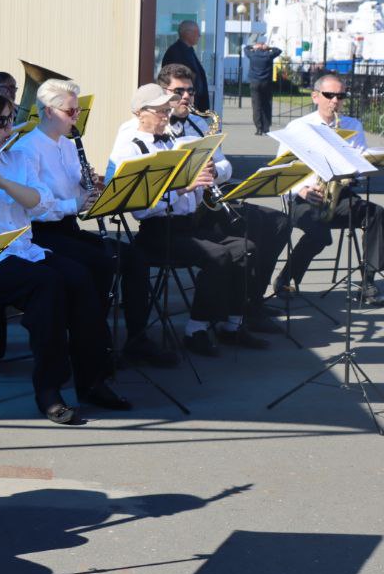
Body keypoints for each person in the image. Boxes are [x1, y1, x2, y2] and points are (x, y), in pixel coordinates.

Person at [0, 90, 127, 424]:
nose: (9, 126)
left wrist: (0, 181)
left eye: (11, 118)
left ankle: (93, 380)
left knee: (81, 276)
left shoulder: (17, 160)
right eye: (1, 120)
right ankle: (48, 390)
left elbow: (40, 203)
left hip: (22, 250)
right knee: (48, 285)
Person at [14, 78, 172, 367]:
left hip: (68, 228)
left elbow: (78, 192)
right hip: (41, 234)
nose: (76, 117)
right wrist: (73, 203)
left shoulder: (68, 144)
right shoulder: (28, 149)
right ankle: (91, 344)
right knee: (100, 264)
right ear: (49, 111)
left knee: (134, 257)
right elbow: (35, 206)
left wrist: (93, 189)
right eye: (70, 111)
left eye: (77, 111)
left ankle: (136, 339)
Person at [107, 84, 261, 358]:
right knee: (217, 256)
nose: (167, 115)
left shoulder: (174, 142)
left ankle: (231, 323)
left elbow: (194, 192)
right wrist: (180, 189)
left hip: (189, 225)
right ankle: (196, 329)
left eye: (168, 109)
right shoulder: (131, 151)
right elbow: (140, 209)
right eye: (161, 110)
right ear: (140, 113)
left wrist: (205, 177)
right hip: (157, 232)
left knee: (245, 248)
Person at [157, 64, 287, 335]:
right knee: (245, 243)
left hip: (207, 206)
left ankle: (250, 302)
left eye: (190, 91)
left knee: (277, 222)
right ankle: (234, 311)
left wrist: (214, 171)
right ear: (162, 92)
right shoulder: (154, 130)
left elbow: (225, 166)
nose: (186, 97)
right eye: (178, 91)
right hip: (181, 216)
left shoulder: (199, 123)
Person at [275, 72, 384, 301]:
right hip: (304, 197)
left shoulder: (352, 125)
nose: (335, 101)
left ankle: (367, 282)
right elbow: (282, 170)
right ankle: (286, 279)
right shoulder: (298, 126)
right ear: (315, 96)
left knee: (376, 214)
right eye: (329, 95)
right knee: (320, 235)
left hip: (339, 196)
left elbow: (357, 162)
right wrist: (303, 189)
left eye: (340, 96)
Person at [160, 20, 212, 112]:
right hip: (182, 106)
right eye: (197, 32)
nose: (199, 35)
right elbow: (176, 80)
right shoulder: (175, 52)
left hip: (192, 104)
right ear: (187, 33)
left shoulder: (189, 50)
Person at [245, 38, 283, 135]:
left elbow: (245, 48)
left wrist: (253, 47)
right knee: (267, 105)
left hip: (254, 82)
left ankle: (259, 128)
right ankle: (266, 128)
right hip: (266, 83)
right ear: (264, 47)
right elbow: (278, 50)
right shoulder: (269, 55)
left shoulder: (252, 55)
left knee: (256, 106)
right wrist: (268, 47)